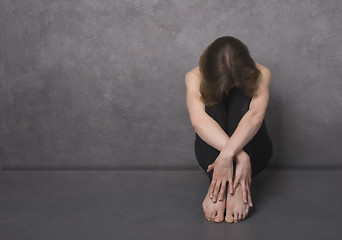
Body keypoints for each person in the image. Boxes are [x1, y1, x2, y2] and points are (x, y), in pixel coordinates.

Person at [184, 36, 273, 223]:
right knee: (212, 103)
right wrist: (239, 156)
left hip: (255, 153)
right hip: (214, 158)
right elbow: (199, 122)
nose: (230, 86)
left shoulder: (262, 72)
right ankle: (220, 187)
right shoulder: (194, 76)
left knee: (241, 97)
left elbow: (255, 116)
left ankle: (238, 186)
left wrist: (227, 155)